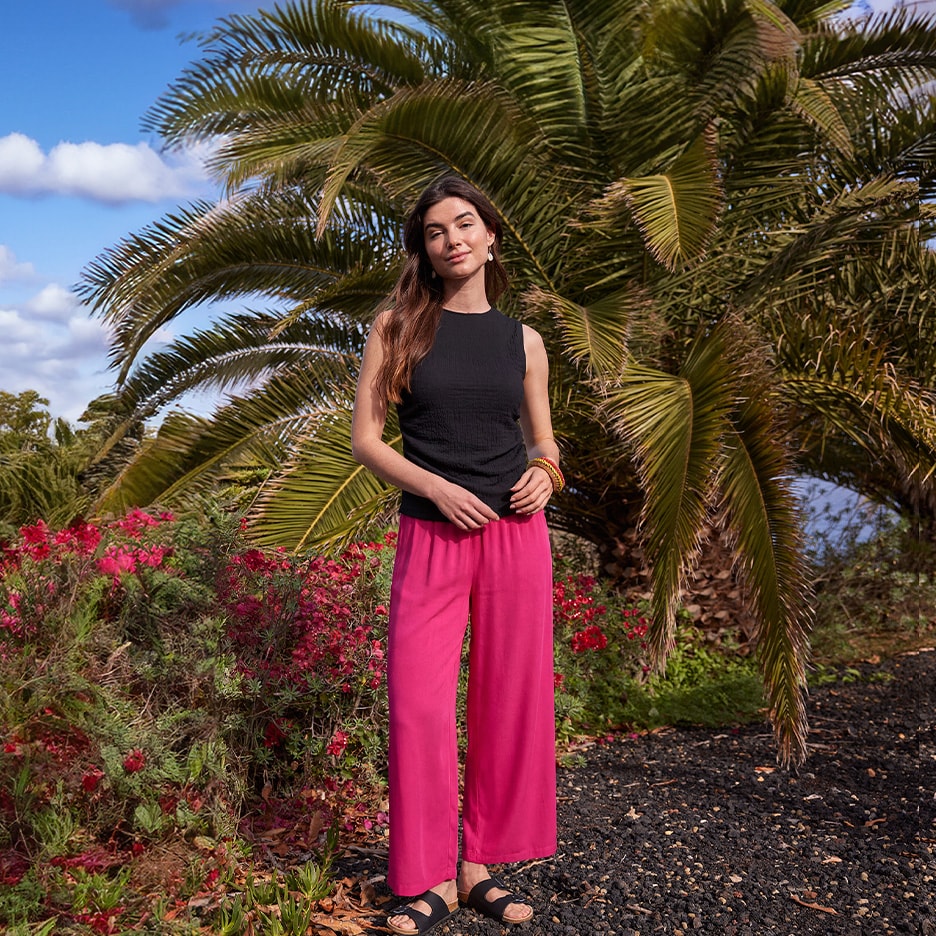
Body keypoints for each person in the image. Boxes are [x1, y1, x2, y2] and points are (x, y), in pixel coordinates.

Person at [351, 176, 563, 935]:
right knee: (417, 705)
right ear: (426, 250)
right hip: (432, 532)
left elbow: (542, 437)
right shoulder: (397, 326)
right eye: (436, 232)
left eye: (465, 224)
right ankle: (427, 874)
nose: (453, 239)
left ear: (491, 236)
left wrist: (546, 471)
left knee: (509, 699)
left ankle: (477, 869)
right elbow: (367, 441)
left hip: (514, 534)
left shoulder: (524, 340)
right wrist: (437, 489)